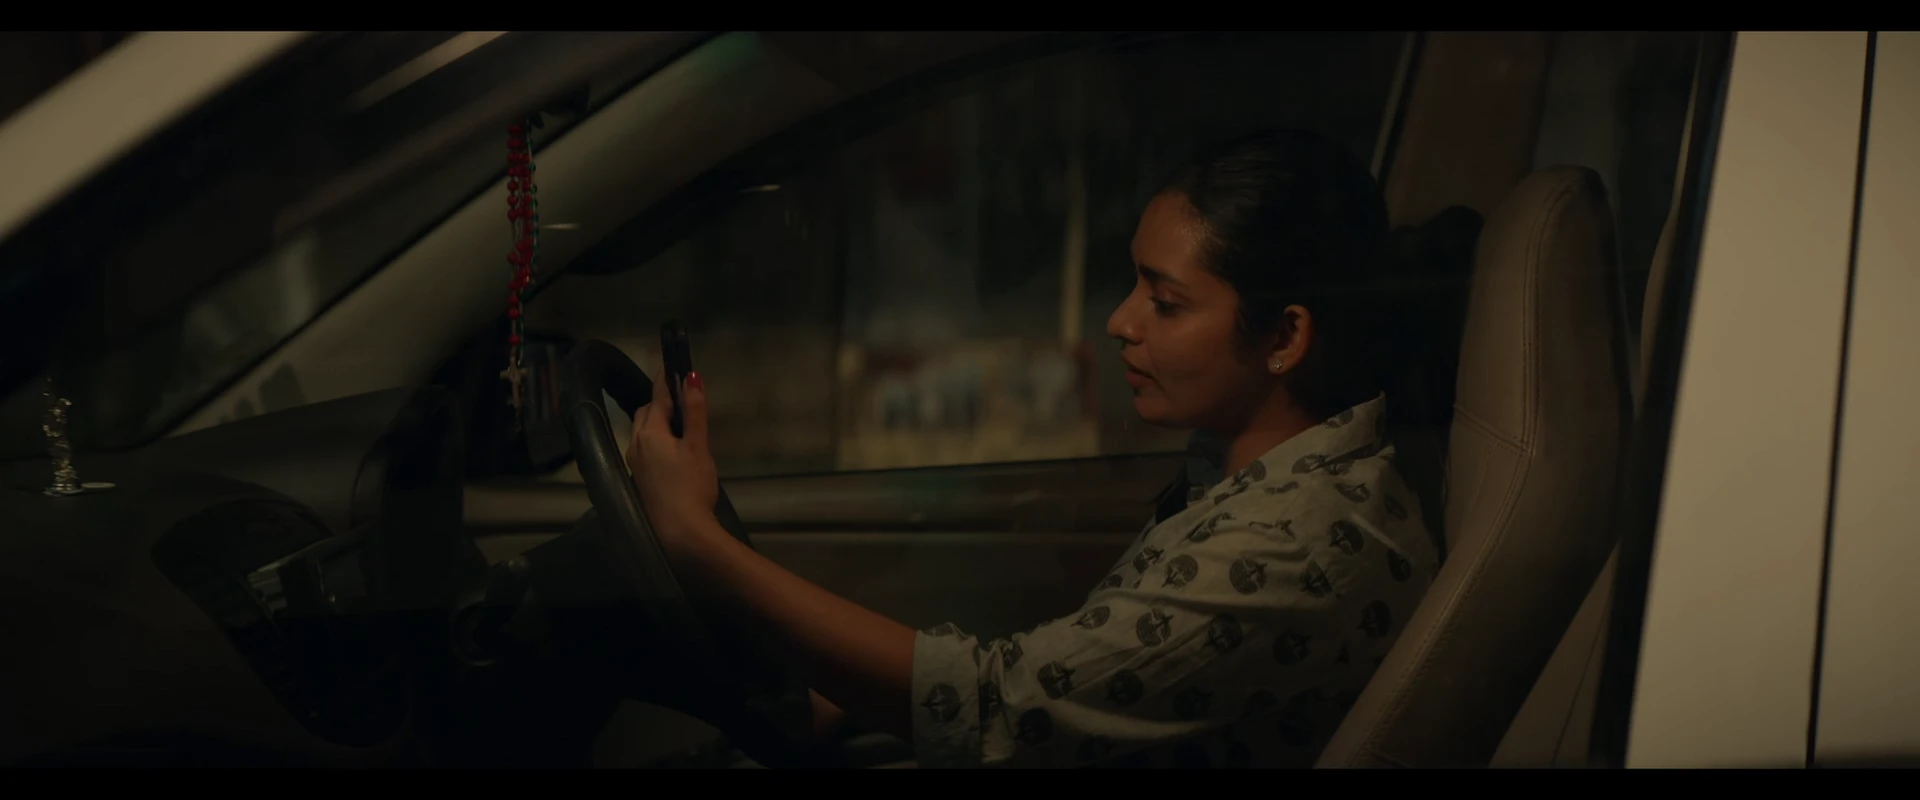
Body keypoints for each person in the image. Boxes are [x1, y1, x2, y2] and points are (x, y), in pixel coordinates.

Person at [624, 128, 1439, 768]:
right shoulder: (1249, 475)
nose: (1120, 321)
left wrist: (697, 541)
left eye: (1165, 302)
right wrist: (838, 695)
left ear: (1285, 338)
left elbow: (994, 710)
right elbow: (1081, 665)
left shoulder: (1292, 545)